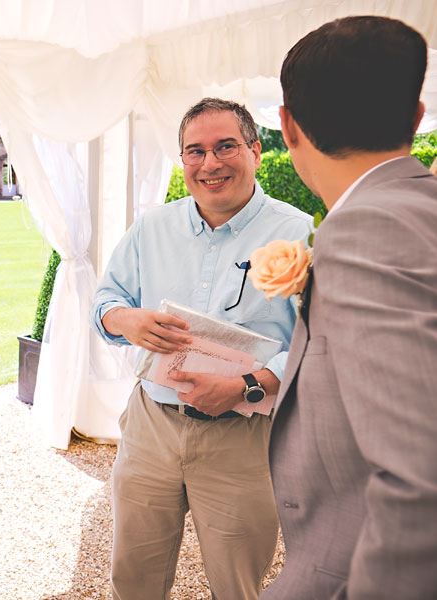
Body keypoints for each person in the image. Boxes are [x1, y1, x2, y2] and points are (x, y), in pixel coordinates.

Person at [91, 98, 313, 599]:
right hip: (151, 425)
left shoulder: (298, 233)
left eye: (226, 147)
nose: (210, 164)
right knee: (133, 576)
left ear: (256, 151)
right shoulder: (151, 228)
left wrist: (248, 385)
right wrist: (126, 318)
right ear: (183, 160)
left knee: (237, 584)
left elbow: (318, 339)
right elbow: (106, 301)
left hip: (245, 438)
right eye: (195, 152)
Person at [263, 16, 437, 599]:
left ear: (287, 127)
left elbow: (423, 478)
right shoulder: (421, 207)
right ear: (416, 117)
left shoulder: (368, 224)